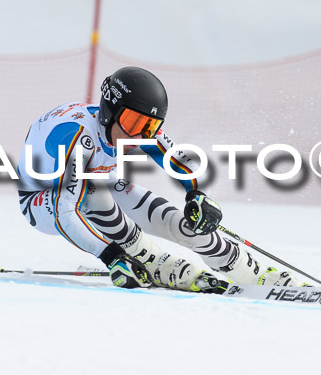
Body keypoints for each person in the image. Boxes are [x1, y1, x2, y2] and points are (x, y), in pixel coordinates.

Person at [16, 66, 298, 291]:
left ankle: (249, 270)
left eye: (149, 126)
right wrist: (111, 256)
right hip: (42, 202)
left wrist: (195, 194)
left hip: (97, 180)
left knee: (175, 219)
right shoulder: (76, 138)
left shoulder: (131, 129)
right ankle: (151, 259)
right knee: (93, 193)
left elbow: (177, 161)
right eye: (134, 124)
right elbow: (66, 212)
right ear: (110, 112)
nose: (139, 135)